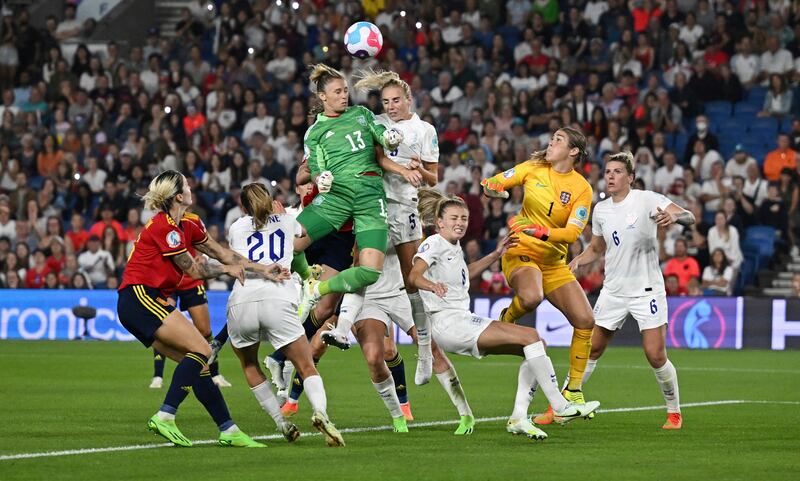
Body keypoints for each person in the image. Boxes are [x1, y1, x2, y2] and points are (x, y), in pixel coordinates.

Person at [409, 189, 600, 440]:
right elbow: (413, 276)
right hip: (448, 322)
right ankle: (561, 406)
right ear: (440, 222)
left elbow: (465, 273)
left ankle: (519, 417)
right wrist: (431, 285)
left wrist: (495, 254)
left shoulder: (452, 247)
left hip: (459, 321)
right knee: (530, 336)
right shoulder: (433, 243)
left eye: (464, 218)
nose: (460, 223)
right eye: (454, 218)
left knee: (535, 346)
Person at [117, 170, 286, 448]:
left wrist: (261, 268)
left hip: (145, 300)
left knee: (198, 364)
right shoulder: (164, 228)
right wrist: (226, 270)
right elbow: (194, 270)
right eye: (186, 183)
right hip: (139, 297)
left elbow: (222, 253)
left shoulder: (190, 223)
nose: (191, 185)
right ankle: (165, 415)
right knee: (203, 350)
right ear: (179, 196)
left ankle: (228, 430)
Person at [323, 70, 441, 386]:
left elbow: (434, 177)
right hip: (374, 203)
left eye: (395, 101)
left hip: (406, 208)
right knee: (363, 263)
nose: (390, 106)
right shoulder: (376, 123)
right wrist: (401, 168)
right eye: (385, 101)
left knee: (412, 278)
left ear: (408, 99)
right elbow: (376, 158)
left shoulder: (424, 130)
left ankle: (426, 351)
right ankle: (343, 327)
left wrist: (419, 172)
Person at [480, 126, 596, 425]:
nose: (551, 141)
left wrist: (541, 231)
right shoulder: (533, 168)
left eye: (558, 139)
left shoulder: (582, 188)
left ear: (573, 151)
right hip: (521, 251)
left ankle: (573, 391)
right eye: (552, 137)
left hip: (554, 261)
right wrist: (492, 187)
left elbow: (572, 233)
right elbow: (495, 181)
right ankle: (507, 319)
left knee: (585, 320)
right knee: (532, 296)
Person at [569, 151, 693, 429]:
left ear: (631, 178)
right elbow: (597, 248)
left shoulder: (647, 199)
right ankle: (562, 404)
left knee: (655, 354)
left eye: (616, 172)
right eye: (608, 172)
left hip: (646, 291)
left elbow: (689, 216)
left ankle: (674, 412)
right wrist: (579, 259)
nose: (610, 176)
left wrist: (675, 218)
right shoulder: (600, 209)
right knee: (591, 349)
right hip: (613, 291)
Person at [226, 183, 344, 446]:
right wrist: (283, 215)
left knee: (249, 364)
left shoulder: (235, 228)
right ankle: (321, 413)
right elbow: (304, 237)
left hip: (241, 301)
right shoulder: (287, 221)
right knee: (306, 365)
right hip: (278, 298)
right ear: (271, 201)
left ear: (242, 207)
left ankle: (281, 423)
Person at [290, 64, 404, 325]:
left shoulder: (361, 114)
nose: (344, 96)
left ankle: (316, 289)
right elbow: (315, 170)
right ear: (322, 97)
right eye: (337, 92)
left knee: (370, 271)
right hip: (336, 198)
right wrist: (322, 179)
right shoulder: (316, 132)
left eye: (345, 91)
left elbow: (381, 135)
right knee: (291, 242)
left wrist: (391, 138)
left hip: (370, 198)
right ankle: (307, 276)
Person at [150, 211, 232, 390]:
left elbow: (207, 244)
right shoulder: (160, 221)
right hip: (169, 281)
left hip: (191, 280)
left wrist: (205, 258)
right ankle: (157, 376)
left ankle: (215, 373)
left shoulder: (193, 219)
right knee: (161, 326)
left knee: (205, 330)